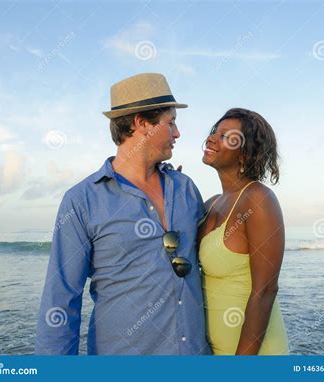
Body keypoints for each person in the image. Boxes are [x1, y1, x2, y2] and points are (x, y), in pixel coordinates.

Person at [35, 73, 210, 355]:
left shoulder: (186, 188)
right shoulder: (81, 201)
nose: (177, 133)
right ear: (142, 124)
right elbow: (61, 301)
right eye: (171, 123)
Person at [198, 108, 289, 355]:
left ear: (246, 154)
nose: (212, 138)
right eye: (215, 131)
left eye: (227, 136)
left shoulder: (257, 199)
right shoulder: (211, 204)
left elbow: (265, 290)